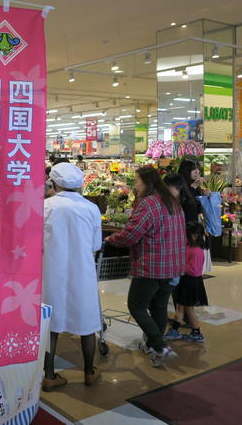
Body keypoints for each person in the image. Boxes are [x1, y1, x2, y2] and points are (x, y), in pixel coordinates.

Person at [106, 166, 186, 367]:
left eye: (137, 181)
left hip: (152, 266)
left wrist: (110, 239)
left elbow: (132, 234)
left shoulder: (149, 204)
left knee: (137, 305)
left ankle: (160, 345)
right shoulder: (172, 201)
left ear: (147, 182)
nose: (135, 185)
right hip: (173, 265)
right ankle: (153, 346)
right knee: (158, 306)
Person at [42, 163, 102, 391]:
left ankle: (49, 375)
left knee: (51, 323)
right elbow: (95, 245)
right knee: (87, 324)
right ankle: (89, 372)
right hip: (82, 272)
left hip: (51, 270)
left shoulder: (46, 207)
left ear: (54, 183)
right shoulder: (91, 208)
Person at [165, 221, 209, 343]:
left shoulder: (196, 251)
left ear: (195, 236)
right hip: (187, 282)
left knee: (188, 309)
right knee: (180, 307)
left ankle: (195, 333)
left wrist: (179, 266)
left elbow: (193, 270)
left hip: (191, 282)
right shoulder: (190, 246)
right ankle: (177, 331)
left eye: (187, 235)